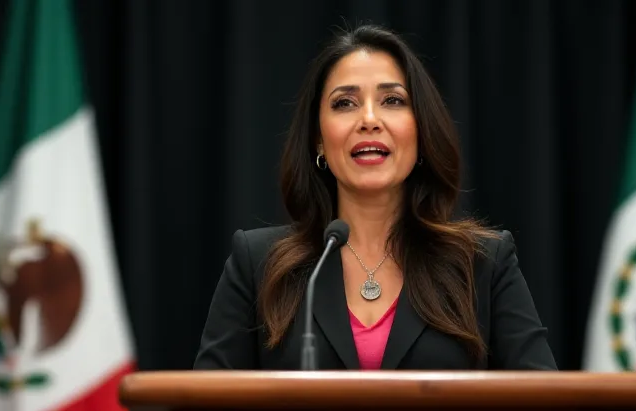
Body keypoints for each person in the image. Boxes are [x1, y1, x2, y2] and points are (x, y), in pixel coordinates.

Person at [194, 24, 557, 371]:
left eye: (392, 100)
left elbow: (548, 409)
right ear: (318, 139)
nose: (369, 118)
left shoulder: (481, 265)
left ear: (421, 133)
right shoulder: (259, 267)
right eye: (345, 103)